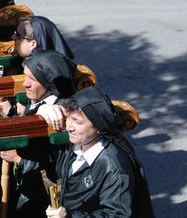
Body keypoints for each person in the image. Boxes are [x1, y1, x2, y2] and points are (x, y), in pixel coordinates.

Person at [45, 86, 155, 217]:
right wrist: (43, 110)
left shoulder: (114, 167)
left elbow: (117, 215)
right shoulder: (76, 143)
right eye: (68, 118)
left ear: (98, 127)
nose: (69, 127)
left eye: (77, 122)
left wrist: (69, 216)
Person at [0, 50, 76, 217]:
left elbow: (55, 158)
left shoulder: (60, 113)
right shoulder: (38, 99)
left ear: (48, 82)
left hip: (44, 199)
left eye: (32, 79)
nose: (25, 84)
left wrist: (18, 158)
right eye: (24, 76)